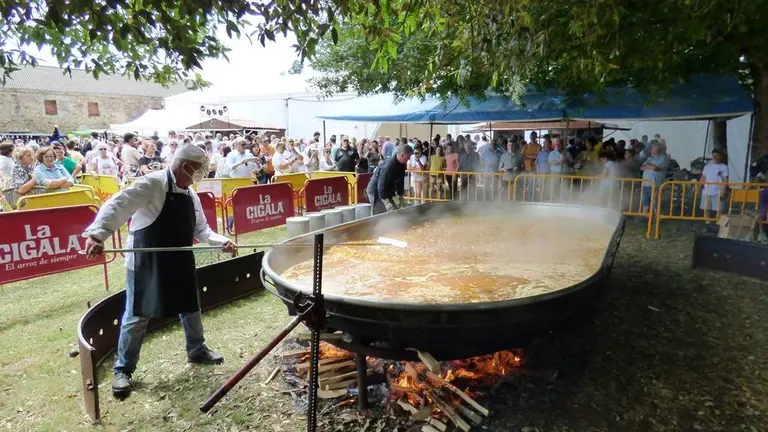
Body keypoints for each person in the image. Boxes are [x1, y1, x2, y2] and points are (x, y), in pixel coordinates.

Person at [82, 145, 236, 398]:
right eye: (198, 168)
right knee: (137, 313)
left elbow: (202, 230)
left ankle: (197, 350)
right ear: (185, 166)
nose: (200, 174)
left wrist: (222, 241)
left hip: (179, 259)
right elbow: (118, 205)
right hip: (147, 260)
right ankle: (123, 369)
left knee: (190, 305)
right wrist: (97, 235)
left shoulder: (191, 194)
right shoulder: (152, 184)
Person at [370, 145, 414, 214]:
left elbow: (400, 181)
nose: (408, 159)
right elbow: (381, 185)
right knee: (381, 212)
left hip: (388, 189)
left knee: (395, 209)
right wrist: (387, 202)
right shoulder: (389, 165)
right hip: (377, 190)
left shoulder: (402, 164)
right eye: (408, 157)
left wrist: (401, 197)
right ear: (402, 155)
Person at [699, 149, 729, 220]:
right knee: (706, 209)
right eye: (713, 155)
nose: (714, 157)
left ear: (721, 156)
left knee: (719, 210)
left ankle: (719, 223)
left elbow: (725, 180)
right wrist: (698, 188)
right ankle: (707, 222)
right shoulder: (707, 167)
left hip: (718, 191)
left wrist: (723, 191)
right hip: (706, 191)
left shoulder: (724, 167)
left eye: (716, 156)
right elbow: (703, 178)